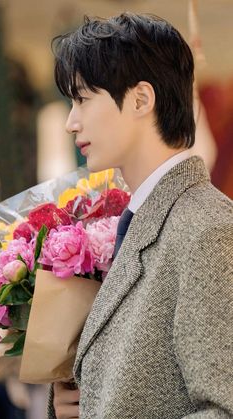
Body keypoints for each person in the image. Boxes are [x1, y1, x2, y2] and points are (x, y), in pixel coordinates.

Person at [48, 13, 233, 418]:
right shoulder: (139, 222)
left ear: (141, 99)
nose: (70, 122)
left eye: (82, 98)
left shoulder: (208, 230)